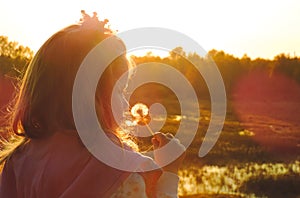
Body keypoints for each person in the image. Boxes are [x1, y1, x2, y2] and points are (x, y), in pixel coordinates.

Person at [0, 11, 185, 197]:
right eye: (120, 91)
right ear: (94, 97)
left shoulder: (18, 161)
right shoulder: (126, 171)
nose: (126, 102)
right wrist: (169, 173)